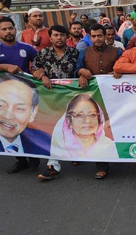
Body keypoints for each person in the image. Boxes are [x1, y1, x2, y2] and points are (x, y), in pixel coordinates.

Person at [0, 16, 43, 174]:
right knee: (12, 128)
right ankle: (20, 160)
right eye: (4, 29)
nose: (8, 31)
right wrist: (5, 67)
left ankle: (34, 159)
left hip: (25, 97)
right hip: (5, 99)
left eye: (11, 28)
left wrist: (39, 70)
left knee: (29, 127)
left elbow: (41, 61)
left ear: (15, 29)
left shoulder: (26, 48)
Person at [32, 24, 80, 180]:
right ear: (50, 37)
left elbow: (82, 68)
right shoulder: (43, 53)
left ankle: (74, 151)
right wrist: (42, 75)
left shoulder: (75, 52)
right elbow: (35, 69)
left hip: (72, 96)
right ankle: (53, 164)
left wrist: (83, 74)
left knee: (71, 127)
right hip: (50, 97)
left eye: (62, 35)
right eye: (56, 35)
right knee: (53, 129)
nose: (59, 38)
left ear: (67, 37)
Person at [75, 24, 123, 179]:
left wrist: (119, 71)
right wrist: (82, 72)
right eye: (93, 36)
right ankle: (102, 166)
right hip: (94, 98)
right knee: (98, 131)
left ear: (106, 36)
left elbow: (125, 67)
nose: (97, 39)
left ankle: (129, 157)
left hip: (115, 98)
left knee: (118, 128)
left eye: (100, 36)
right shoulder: (84, 52)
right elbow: (77, 69)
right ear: (90, 36)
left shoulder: (117, 52)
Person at [51, 93, 117, 160]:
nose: (87, 121)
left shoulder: (111, 147)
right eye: (79, 115)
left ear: (99, 119)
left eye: (92, 115)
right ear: (69, 121)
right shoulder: (61, 148)